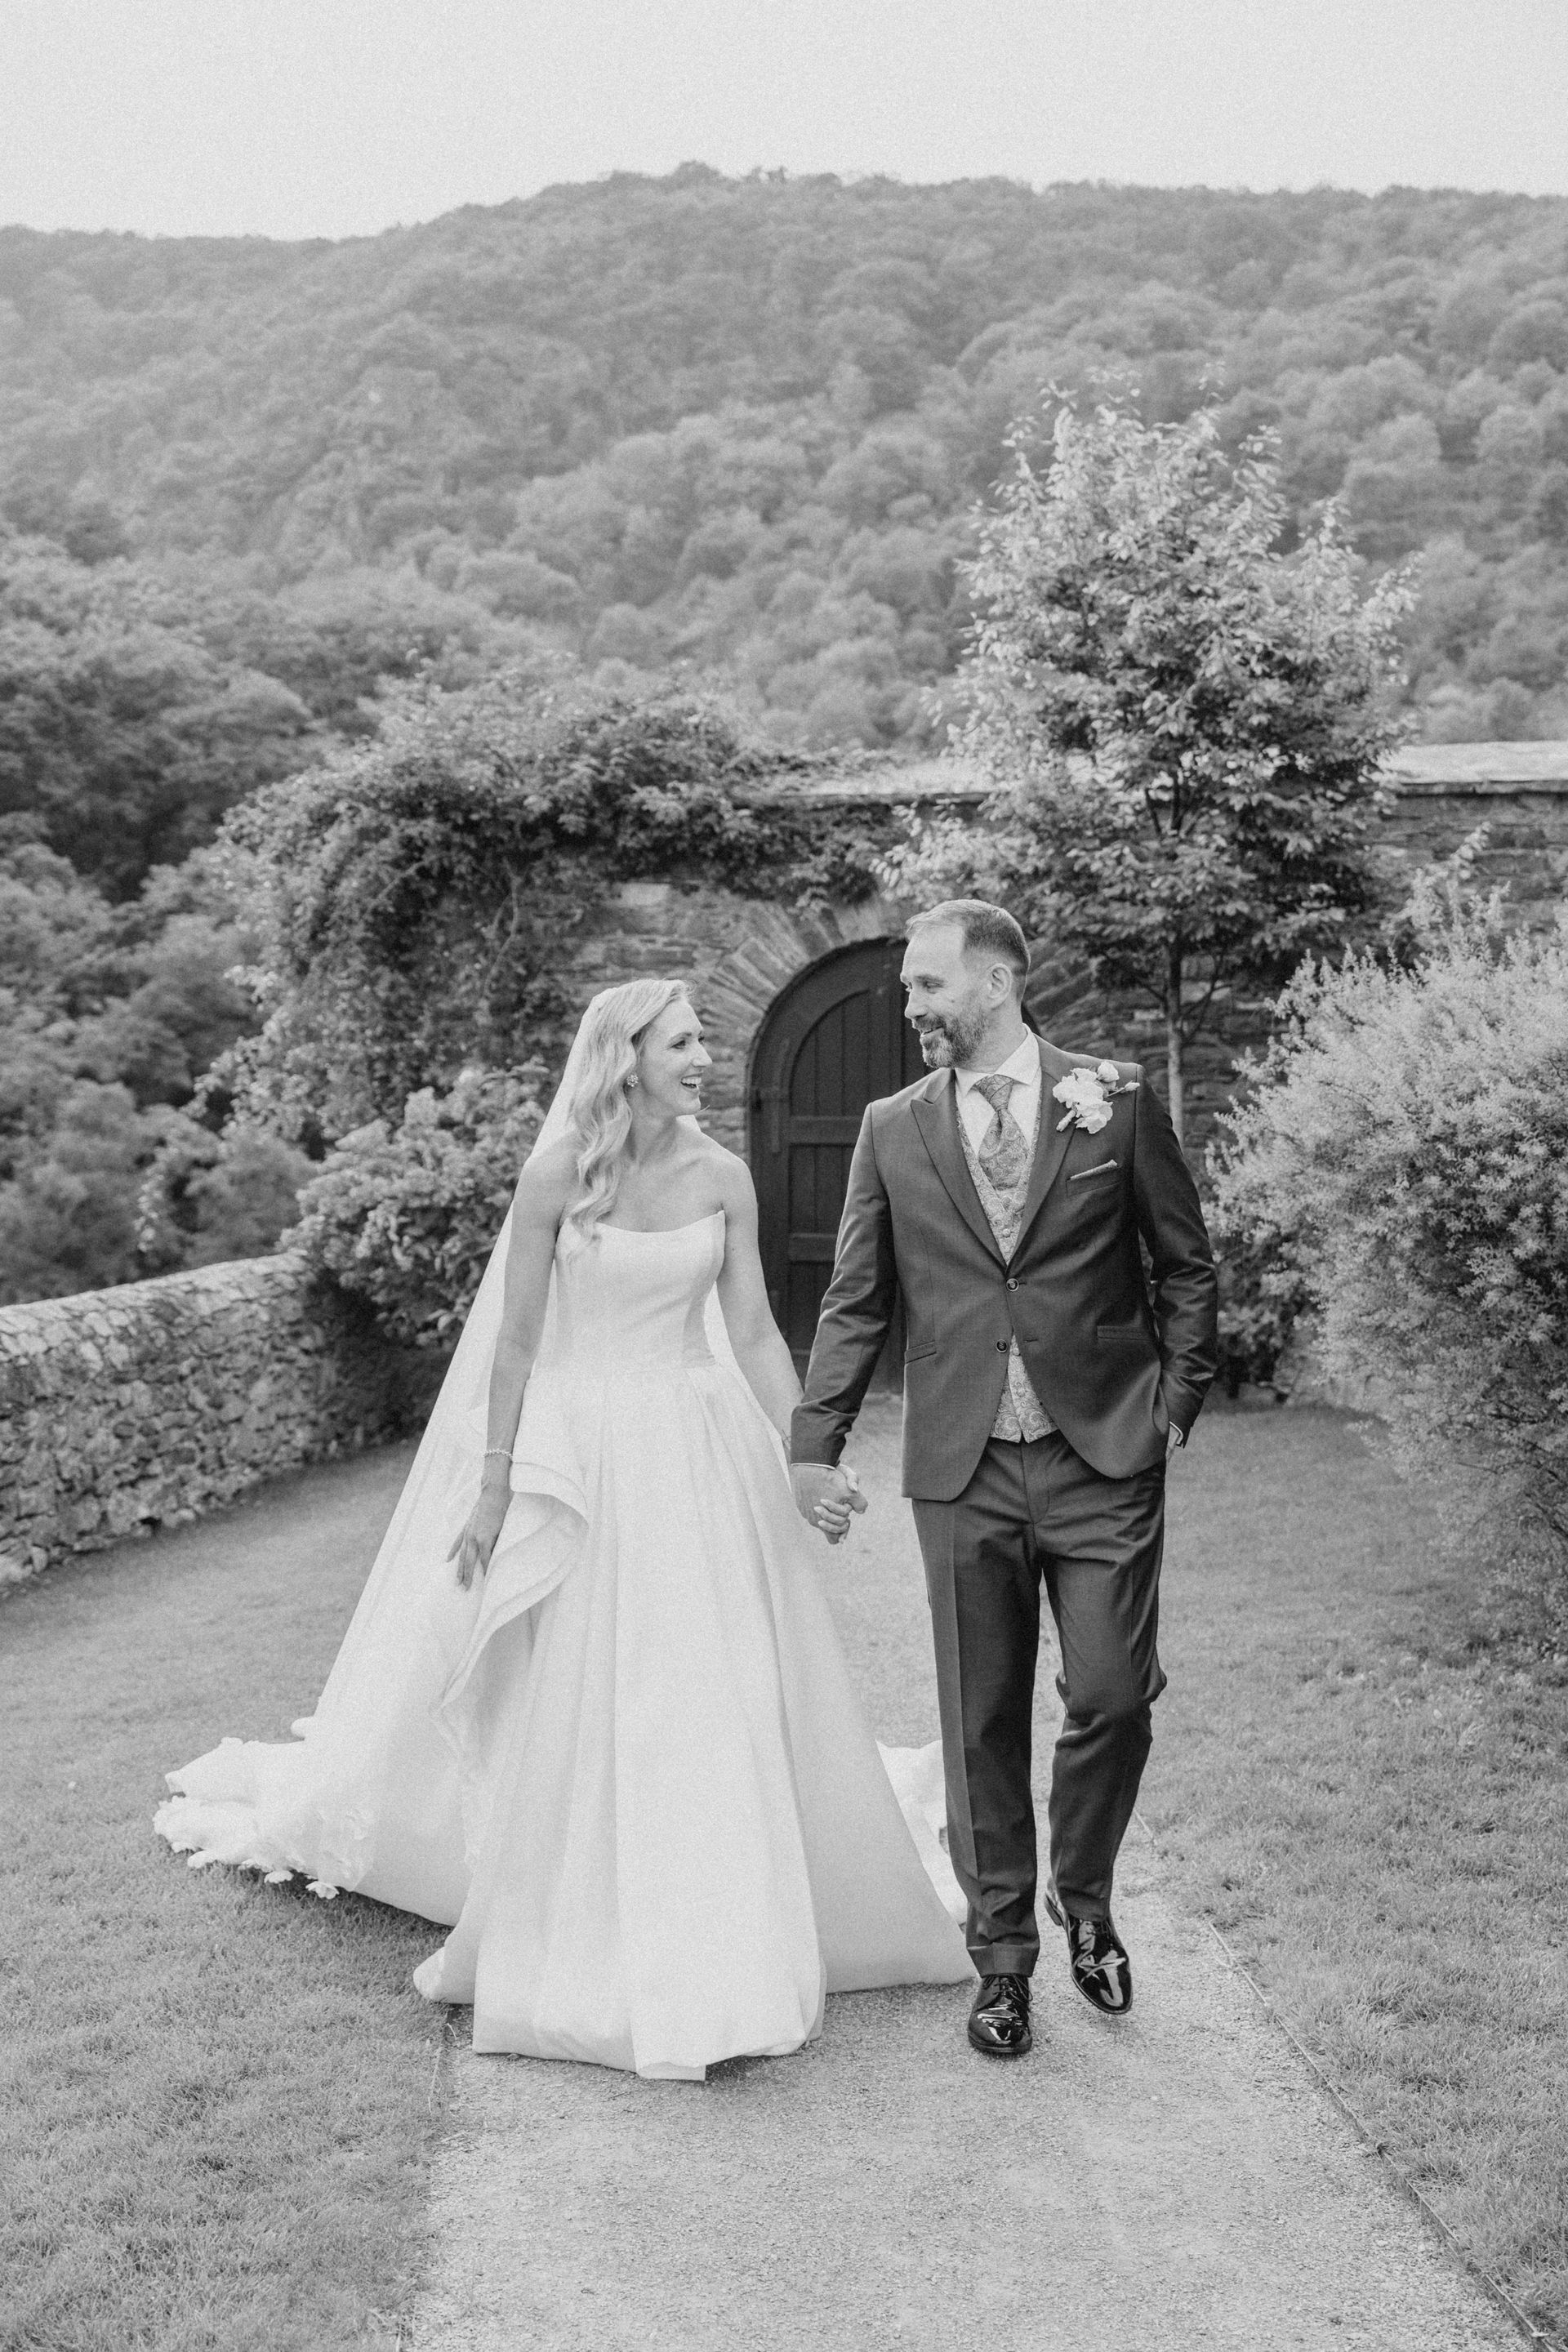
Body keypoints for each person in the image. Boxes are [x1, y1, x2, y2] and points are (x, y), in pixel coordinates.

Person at [156, 977, 968, 2082]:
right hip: (581, 1457)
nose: (703, 1061)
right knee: (591, 1679)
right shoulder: (555, 1178)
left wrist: (804, 1456)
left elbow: (756, 1337)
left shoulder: (724, 1176)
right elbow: (519, 1349)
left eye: (704, 1043)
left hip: (693, 1448)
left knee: (702, 1677)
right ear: (624, 1054)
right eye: (684, 1043)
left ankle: (719, 1909)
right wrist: (493, 1487)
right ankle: (588, 1896)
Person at [790, 901, 1218, 2060]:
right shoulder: (892, 1127)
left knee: (1115, 1695)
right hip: (961, 1463)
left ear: (996, 980)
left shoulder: (1115, 1101)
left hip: (1103, 1454)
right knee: (979, 1718)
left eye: (928, 986)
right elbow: (856, 1298)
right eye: (910, 990)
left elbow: (1184, 1262)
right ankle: (1004, 1965)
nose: (912, 1005)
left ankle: (1085, 1898)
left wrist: (1173, 1407)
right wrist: (811, 1439)